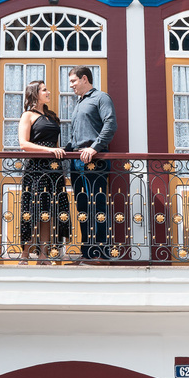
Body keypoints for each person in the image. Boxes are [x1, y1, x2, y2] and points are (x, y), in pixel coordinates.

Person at [66, 66, 116, 261]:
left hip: (95, 161)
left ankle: (101, 253)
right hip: (77, 162)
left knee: (98, 205)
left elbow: (111, 124)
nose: (71, 86)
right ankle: (87, 252)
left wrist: (94, 148)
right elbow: (76, 135)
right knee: (82, 207)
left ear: (84, 78)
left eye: (73, 81)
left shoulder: (101, 98)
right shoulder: (79, 102)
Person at [16, 80, 68, 264]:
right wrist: (50, 150)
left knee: (49, 211)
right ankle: (25, 254)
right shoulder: (28, 115)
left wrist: (58, 153)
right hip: (36, 167)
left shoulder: (51, 116)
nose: (48, 92)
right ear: (35, 93)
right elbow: (24, 144)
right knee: (32, 210)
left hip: (52, 168)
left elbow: (54, 144)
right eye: (44, 90)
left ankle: (44, 255)